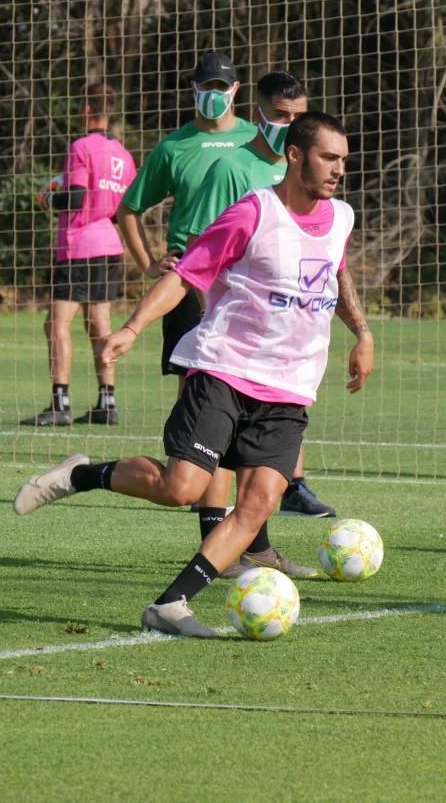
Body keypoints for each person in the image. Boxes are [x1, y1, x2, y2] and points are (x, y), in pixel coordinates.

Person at [14, 112, 375, 637]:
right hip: (225, 370)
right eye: (329, 157)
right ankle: (80, 474)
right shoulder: (254, 212)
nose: (339, 169)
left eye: (343, 159)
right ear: (295, 155)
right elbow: (187, 274)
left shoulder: (340, 217)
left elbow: (336, 274)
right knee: (181, 488)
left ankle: (171, 605)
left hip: (289, 388)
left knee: (257, 506)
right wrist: (133, 327)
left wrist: (362, 334)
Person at [114, 53, 316, 576]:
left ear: (236, 90)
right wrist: (149, 265)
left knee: (244, 420)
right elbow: (129, 209)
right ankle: (222, 542)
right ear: (194, 88)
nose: (214, 92)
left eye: (222, 85)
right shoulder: (177, 147)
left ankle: (250, 539)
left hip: (250, 294)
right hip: (190, 288)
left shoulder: (272, 146)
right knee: (208, 424)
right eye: (206, 85)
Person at [186, 70, 337, 529]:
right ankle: (214, 531)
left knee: (263, 435)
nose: (290, 124)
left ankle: (263, 534)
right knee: (217, 448)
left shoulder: (304, 174)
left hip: (282, 332)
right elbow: (203, 247)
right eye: (280, 116)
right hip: (229, 329)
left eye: (299, 117)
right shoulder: (232, 169)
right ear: (257, 114)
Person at [21, 82, 136, 427]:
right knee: (99, 326)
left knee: (56, 325)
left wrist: (46, 198)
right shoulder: (124, 156)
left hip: (78, 247)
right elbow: (121, 210)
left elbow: (74, 199)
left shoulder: (81, 147)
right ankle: (107, 401)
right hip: (109, 246)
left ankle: (60, 403)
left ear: (87, 109)